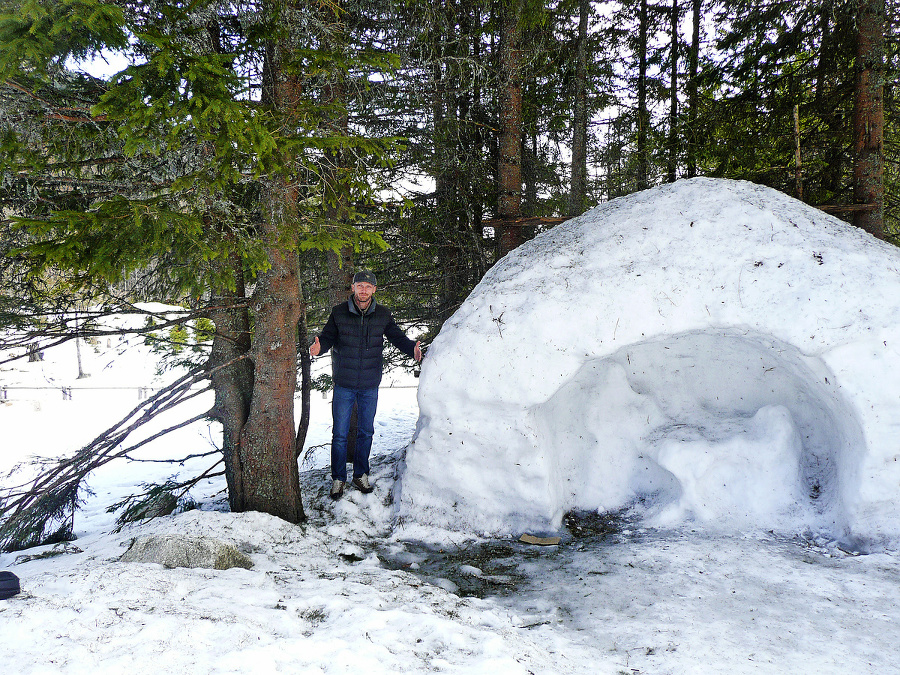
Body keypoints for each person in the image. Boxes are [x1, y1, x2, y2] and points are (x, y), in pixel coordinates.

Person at [310, 271, 422, 500]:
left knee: (366, 432)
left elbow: (397, 337)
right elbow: (328, 337)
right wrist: (318, 349)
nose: (363, 290)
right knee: (340, 434)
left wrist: (412, 349)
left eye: (368, 286)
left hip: (370, 383)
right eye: (359, 285)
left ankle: (360, 474)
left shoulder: (382, 314)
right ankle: (338, 479)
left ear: (374, 290)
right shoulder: (339, 312)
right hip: (344, 383)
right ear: (353, 288)